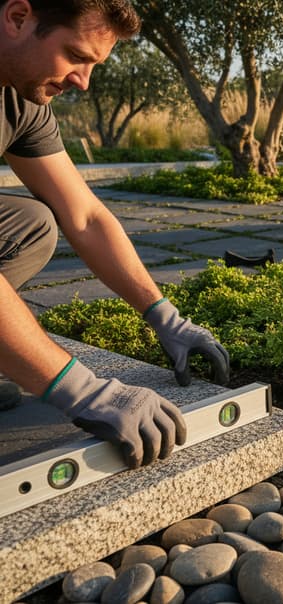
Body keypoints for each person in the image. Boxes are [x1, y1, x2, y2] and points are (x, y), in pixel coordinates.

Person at [0, 0, 230, 469]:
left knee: (31, 226)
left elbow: (84, 215)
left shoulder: (21, 95)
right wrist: (81, 390)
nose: (83, 81)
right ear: (19, 17)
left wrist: (165, 316)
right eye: (77, 56)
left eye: (94, 65)